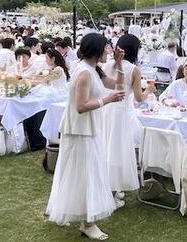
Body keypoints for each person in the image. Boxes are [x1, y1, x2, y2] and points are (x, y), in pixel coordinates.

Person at [45, 33, 126, 240]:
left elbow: (117, 84)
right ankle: (88, 223)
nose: (109, 51)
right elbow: (81, 107)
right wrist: (107, 100)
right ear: (97, 50)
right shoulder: (84, 73)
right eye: (107, 48)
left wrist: (119, 63)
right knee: (85, 173)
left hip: (88, 129)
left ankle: (84, 219)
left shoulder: (92, 69)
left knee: (83, 172)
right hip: (80, 130)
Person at [101, 34, 154, 198]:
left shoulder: (107, 65)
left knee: (105, 148)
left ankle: (106, 186)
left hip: (105, 109)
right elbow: (138, 98)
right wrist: (149, 91)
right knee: (119, 151)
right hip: (122, 113)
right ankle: (113, 189)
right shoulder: (134, 69)